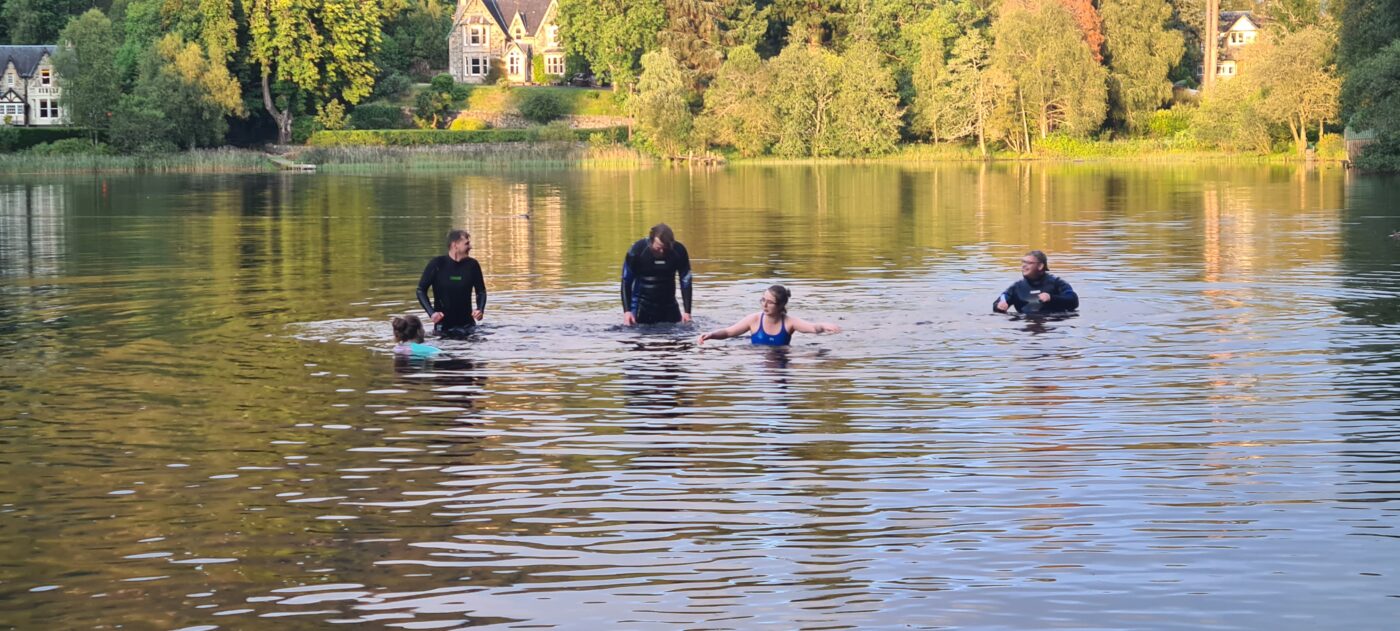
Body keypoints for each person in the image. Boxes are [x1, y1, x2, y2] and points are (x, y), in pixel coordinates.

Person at [698, 285, 841, 346]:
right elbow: (729, 332)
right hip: (759, 359)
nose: (764, 305)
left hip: (782, 359)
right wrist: (711, 334)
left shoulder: (789, 322)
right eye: (763, 300)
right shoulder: (754, 319)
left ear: (780, 305)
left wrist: (824, 326)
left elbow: (812, 328)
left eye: (770, 302)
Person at [417, 229, 487, 338]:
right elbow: (421, 290)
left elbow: (481, 291)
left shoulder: (472, 265)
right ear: (455, 245)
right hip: (443, 326)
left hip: (467, 325)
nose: (470, 247)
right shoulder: (437, 264)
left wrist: (480, 310)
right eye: (467, 244)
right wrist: (432, 313)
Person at [621, 223, 693, 325]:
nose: (662, 251)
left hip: (669, 306)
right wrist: (627, 311)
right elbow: (626, 281)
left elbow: (686, 281)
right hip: (642, 306)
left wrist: (687, 312)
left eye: (666, 248)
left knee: (680, 337)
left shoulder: (679, 251)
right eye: (659, 247)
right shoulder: (637, 250)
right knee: (637, 338)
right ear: (651, 240)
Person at [993, 250, 1079, 315]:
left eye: (1028, 263)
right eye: (1023, 262)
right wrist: (999, 306)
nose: (1023, 265)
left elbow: (1073, 300)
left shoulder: (1057, 283)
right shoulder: (1017, 287)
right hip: (1024, 324)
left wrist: (1051, 298)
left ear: (1040, 266)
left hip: (1052, 324)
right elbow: (1000, 301)